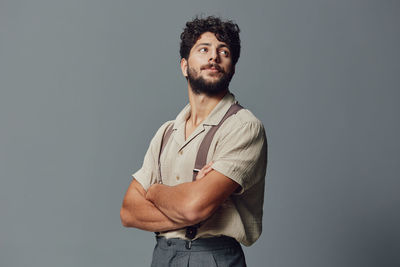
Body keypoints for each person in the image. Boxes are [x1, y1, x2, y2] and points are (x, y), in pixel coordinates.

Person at [120, 16, 268, 267]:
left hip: (212, 256)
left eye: (224, 52)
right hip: (163, 255)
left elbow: (193, 208)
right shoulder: (167, 132)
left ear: (232, 67)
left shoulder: (243, 127)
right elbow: (128, 212)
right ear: (184, 66)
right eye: (204, 49)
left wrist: (154, 191)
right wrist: (186, 204)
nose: (214, 57)